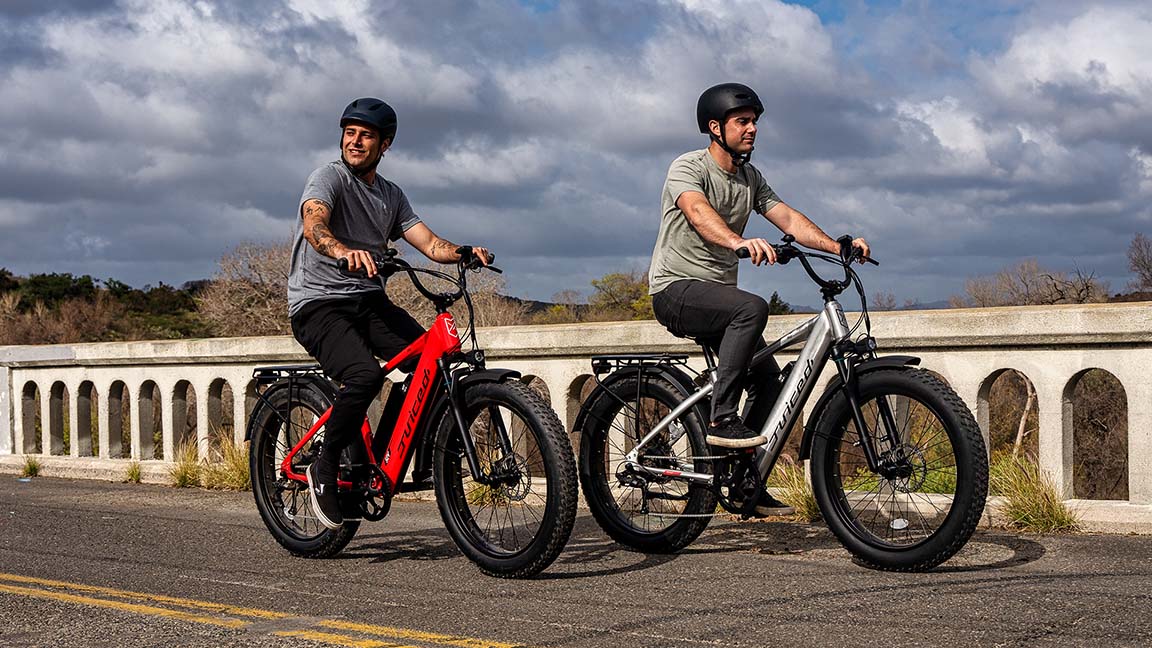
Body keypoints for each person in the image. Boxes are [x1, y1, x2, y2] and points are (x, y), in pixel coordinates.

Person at [648, 83, 870, 513]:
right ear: (715, 127)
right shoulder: (687, 167)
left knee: (770, 379)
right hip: (675, 289)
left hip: (717, 301)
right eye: (742, 122)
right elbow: (696, 211)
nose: (752, 129)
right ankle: (720, 418)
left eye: (755, 122)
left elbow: (786, 217)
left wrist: (836, 246)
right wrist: (737, 242)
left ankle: (742, 481)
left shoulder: (750, 178)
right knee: (751, 306)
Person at [288, 97, 490, 529]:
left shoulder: (390, 196)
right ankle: (322, 467)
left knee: (434, 364)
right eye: (350, 132)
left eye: (367, 135)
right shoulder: (329, 178)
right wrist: (342, 251)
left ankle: (381, 459)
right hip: (319, 303)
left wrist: (465, 252)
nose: (356, 141)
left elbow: (432, 245)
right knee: (365, 374)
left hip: (367, 301)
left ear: (385, 145)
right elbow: (314, 224)